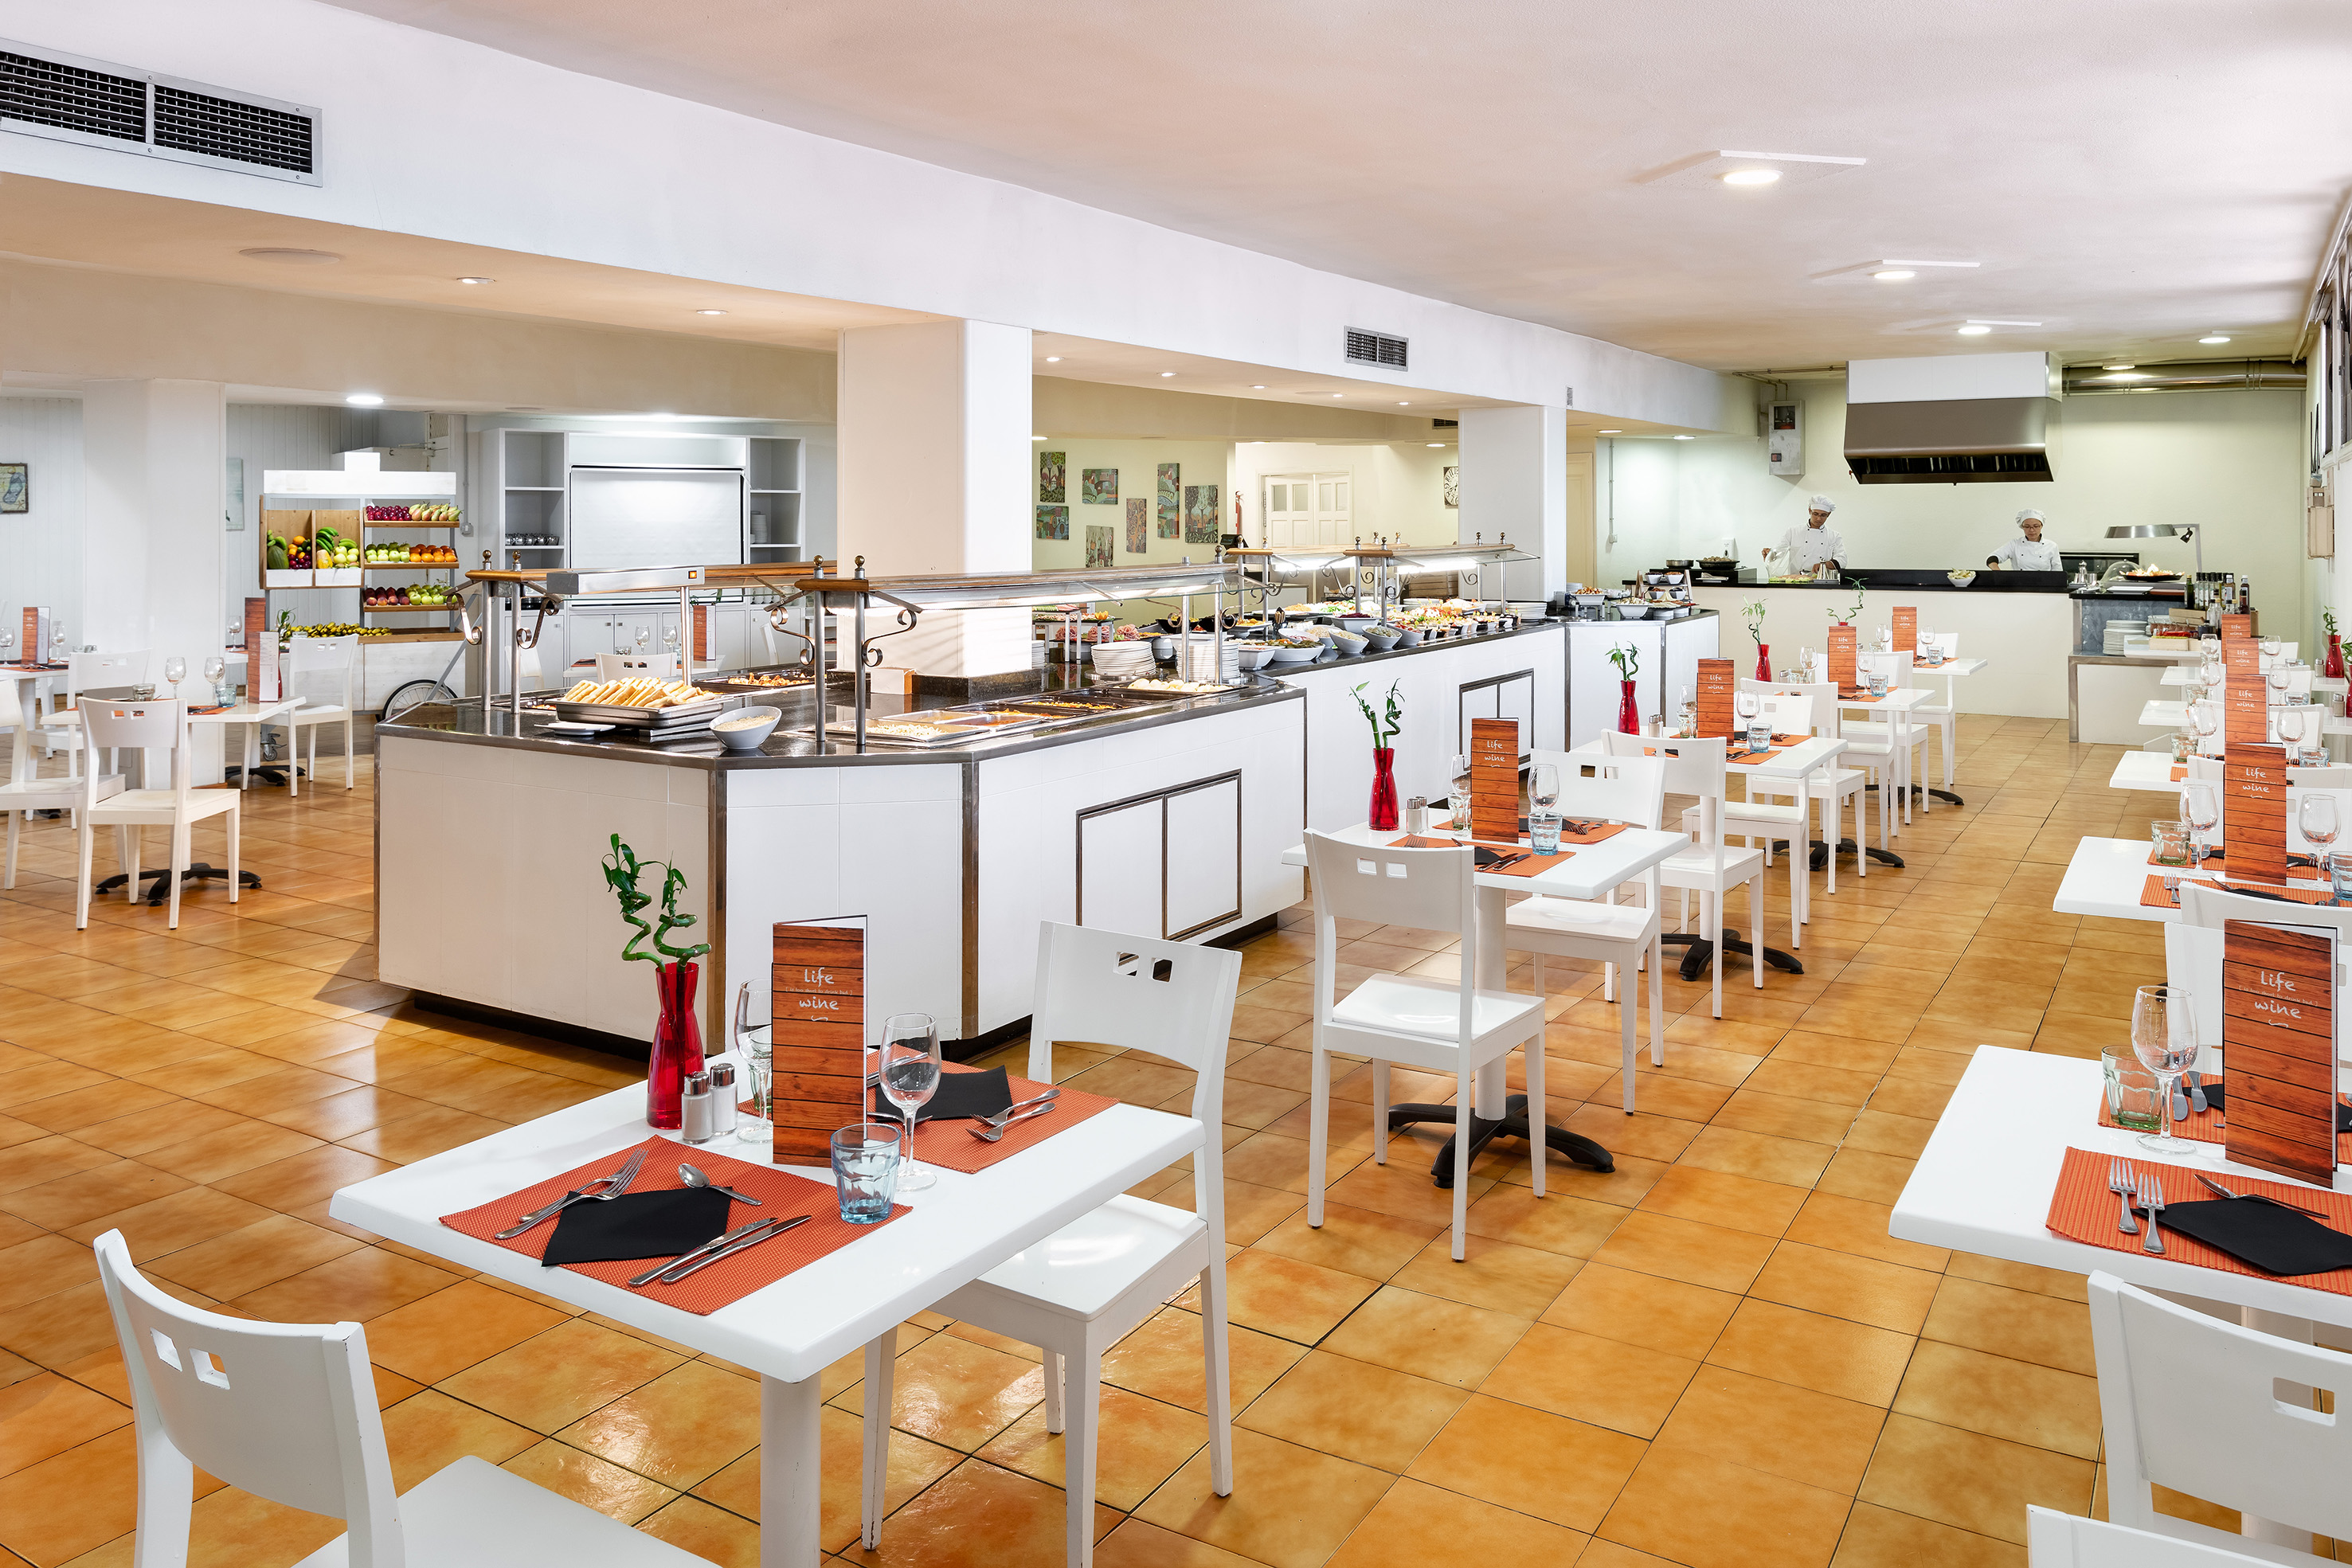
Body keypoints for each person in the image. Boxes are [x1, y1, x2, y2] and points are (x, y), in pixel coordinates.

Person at [1771, 496, 1845, 575]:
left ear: (1829, 514)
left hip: (1822, 581)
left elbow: (1842, 559)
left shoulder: (1834, 536)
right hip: (1797, 580)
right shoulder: (1793, 531)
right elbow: (1780, 549)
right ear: (1810, 511)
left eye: (1823, 515)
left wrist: (1824, 565)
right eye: (1815, 514)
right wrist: (1770, 553)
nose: (1819, 519)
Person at [1992, 508, 2064, 571]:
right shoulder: (2014, 544)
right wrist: (1999, 574)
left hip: (2044, 585)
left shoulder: (2052, 546)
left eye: (2036, 526)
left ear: (2041, 526)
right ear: (2022, 527)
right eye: (2027, 526)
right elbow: (1992, 558)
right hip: (2018, 584)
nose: (2032, 530)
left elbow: (2058, 572)